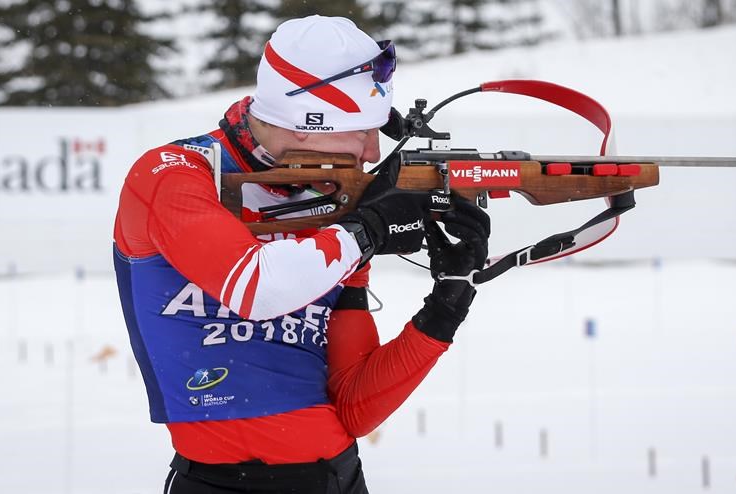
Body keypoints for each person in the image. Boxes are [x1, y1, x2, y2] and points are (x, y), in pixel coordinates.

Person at [113, 15, 489, 494]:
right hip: (219, 485)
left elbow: (355, 407)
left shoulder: (335, 206)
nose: (374, 151)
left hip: (337, 479)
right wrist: (368, 229)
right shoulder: (175, 175)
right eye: (364, 130)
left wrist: (445, 307)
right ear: (309, 126)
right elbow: (259, 287)